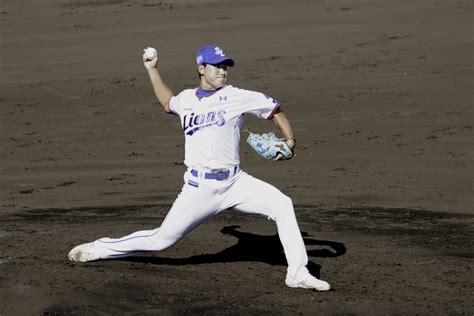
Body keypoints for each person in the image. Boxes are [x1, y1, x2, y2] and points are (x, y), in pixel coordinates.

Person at [68, 45, 331, 291]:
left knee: (282, 204)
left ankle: (297, 273)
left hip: (236, 183)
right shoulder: (186, 100)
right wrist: (152, 69)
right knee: (161, 240)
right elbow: (166, 101)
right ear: (201, 68)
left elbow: (274, 110)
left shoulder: (236, 96)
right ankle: (102, 248)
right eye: (216, 66)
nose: (222, 71)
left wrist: (290, 140)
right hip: (199, 189)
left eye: (225, 66)